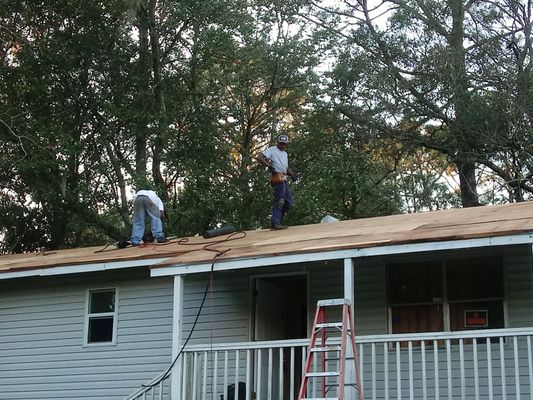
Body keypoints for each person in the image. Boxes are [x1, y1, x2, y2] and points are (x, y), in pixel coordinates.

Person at [256, 134, 297, 230]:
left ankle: (278, 221)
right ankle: (275, 223)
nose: (282, 145)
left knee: (289, 203)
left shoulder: (285, 154)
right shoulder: (272, 150)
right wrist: (269, 166)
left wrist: (293, 175)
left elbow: (285, 168)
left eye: (284, 144)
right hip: (277, 177)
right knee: (280, 200)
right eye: (281, 143)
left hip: (284, 178)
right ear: (277, 142)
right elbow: (259, 157)